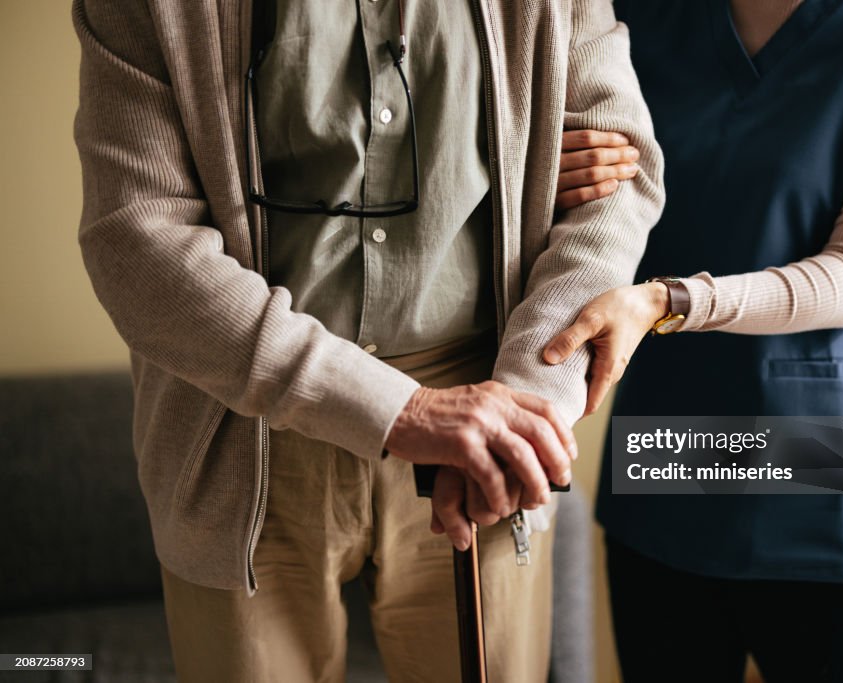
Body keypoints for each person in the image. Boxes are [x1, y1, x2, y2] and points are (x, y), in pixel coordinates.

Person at [72, 0, 664, 680]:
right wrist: (397, 410)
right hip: (241, 427)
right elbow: (135, 242)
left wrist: (527, 405)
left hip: (485, 408)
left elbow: (617, 184)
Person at [545, 0, 843, 680]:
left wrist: (672, 300)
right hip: (670, 466)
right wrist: (554, 171)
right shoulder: (641, 11)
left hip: (833, 485)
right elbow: (595, 187)